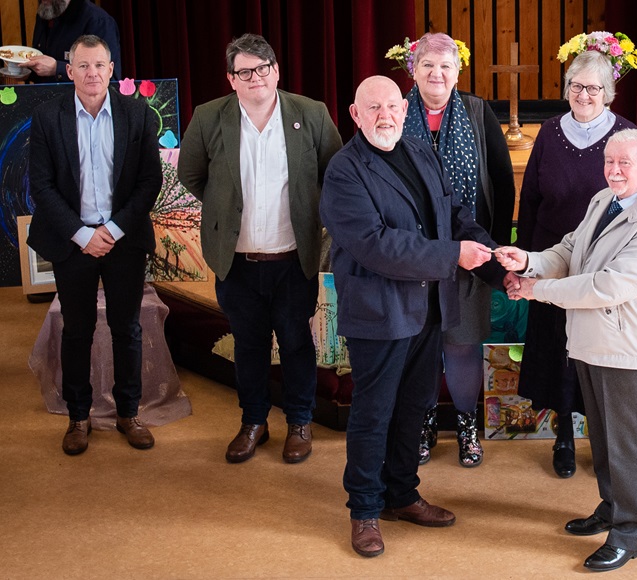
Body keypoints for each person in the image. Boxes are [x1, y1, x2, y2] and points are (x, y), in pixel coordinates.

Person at [320, 75, 502, 558]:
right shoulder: (344, 171)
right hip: (380, 314)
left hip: (429, 309)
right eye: (372, 107)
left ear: (405, 108)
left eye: (392, 106)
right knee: (373, 414)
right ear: (355, 115)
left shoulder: (421, 150)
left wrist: (493, 260)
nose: (385, 115)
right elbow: (377, 245)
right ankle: (363, 510)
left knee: (414, 406)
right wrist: (453, 255)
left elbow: (454, 213)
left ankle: (402, 495)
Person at [496, 129, 637, 572]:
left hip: (624, 346)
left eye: (624, 164)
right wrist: (528, 261)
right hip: (589, 340)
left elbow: (608, 285)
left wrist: (538, 289)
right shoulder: (604, 199)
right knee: (601, 436)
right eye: (608, 162)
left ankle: (630, 532)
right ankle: (610, 507)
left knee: (628, 443)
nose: (613, 171)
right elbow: (571, 248)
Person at [178, 33, 342, 464]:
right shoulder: (209, 117)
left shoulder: (311, 114)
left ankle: (300, 422)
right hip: (238, 262)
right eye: (245, 72)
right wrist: (225, 211)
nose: (256, 78)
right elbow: (192, 175)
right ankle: (253, 422)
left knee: (294, 343)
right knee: (247, 345)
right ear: (231, 79)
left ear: (276, 71)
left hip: (293, 260)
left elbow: (335, 174)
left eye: (263, 68)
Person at [27, 34, 162, 455]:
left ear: (110, 68)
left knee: (128, 328)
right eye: (82, 66)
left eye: (99, 65)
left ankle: (128, 412)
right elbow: (42, 187)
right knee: (77, 330)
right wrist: (84, 234)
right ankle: (78, 417)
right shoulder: (48, 118)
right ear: (69, 72)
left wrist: (114, 230)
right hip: (74, 241)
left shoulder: (136, 114)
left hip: (123, 239)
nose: (92, 74)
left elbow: (148, 182)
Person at [515, 50, 636, 478]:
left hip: (605, 266)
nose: (584, 95)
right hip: (555, 261)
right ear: (567, 90)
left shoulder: (625, 135)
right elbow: (529, 201)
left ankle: (603, 439)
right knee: (557, 351)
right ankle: (564, 434)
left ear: (610, 92)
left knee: (600, 352)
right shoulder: (548, 132)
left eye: (594, 87)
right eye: (577, 86)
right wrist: (527, 263)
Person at [402, 33, 516, 468]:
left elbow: (502, 183)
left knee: (463, 344)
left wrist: (492, 252)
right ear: (414, 70)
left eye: (446, 66)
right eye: (428, 65)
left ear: (457, 72)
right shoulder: (396, 111)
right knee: (423, 344)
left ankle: (468, 424)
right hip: (414, 256)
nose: (437, 74)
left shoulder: (476, 111)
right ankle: (426, 421)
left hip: (471, 253)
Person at [21, 0, 122, 83]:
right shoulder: (45, 13)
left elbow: (109, 79)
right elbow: (43, 68)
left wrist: (57, 69)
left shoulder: (98, 21)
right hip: (44, 102)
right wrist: (25, 71)